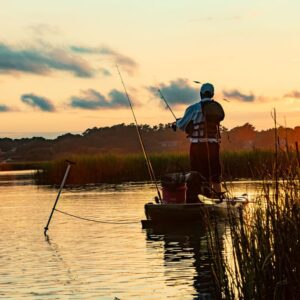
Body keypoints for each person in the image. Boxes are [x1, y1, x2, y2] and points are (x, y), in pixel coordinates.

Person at [174, 83, 225, 202]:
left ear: (200, 94)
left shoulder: (193, 108)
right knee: (215, 173)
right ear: (212, 94)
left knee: (197, 173)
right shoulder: (217, 108)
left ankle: (198, 198)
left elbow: (181, 125)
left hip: (197, 146)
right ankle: (219, 198)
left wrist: (177, 123)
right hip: (213, 145)